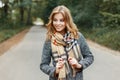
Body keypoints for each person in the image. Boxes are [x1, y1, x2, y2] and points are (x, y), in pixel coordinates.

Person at [40, 5, 94, 80]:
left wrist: (78, 65)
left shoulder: (77, 36)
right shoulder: (50, 40)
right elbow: (43, 65)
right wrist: (55, 70)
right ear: (52, 21)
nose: (58, 23)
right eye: (55, 20)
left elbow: (89, 57)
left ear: (67, 21)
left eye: (61, 20)